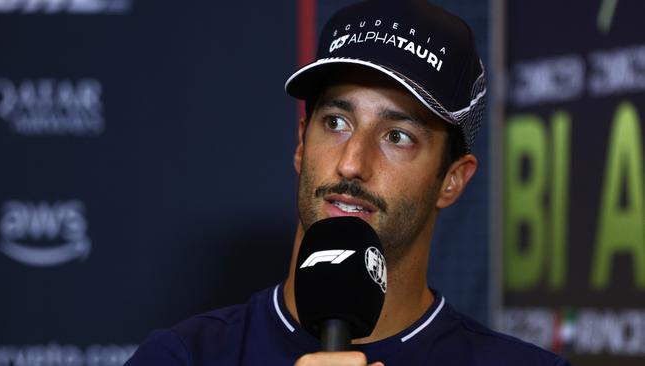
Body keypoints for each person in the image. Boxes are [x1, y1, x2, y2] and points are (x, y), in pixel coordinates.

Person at [126, 1, 570, 365]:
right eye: (336, 122)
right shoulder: (184, 358)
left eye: (397, 137)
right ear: (302, 143)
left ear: (452, 180)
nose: (352, 163)